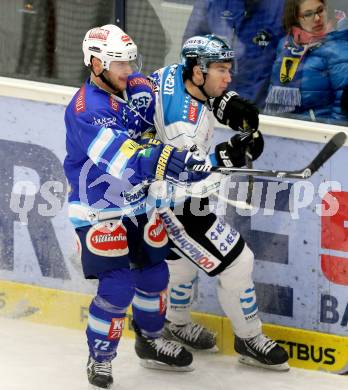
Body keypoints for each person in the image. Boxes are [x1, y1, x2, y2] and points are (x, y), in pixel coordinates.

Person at [63, 24, 208, 389]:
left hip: (139, 204)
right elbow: (123, 160)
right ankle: (100, 358)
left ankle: (151, 340)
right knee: (117, 288)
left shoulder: (137, 86)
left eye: (131, 62)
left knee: (154, 276)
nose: (129, 71)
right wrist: (169, 160)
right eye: (120, 64)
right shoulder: (86, 110)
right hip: (99, 208)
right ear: (96, 64)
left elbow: (181, 88)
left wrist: (194, 158)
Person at [148, 34, 290, 371]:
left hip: (153, 191)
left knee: (180, 263)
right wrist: (230, 158)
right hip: (170, 202)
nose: (228, 78)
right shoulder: (182, 126)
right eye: (221, 70)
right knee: (240, 262)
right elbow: (191, 181)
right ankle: (249, 337)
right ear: (198, 71)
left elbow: (204, 96)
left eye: (229, 69)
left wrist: (227, 102)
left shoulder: (174, 73)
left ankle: (176, 324)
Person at [182, 0, 286, 108]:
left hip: (261, 108)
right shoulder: (212, 3)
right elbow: (191, 51)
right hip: (213, 103)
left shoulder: (281, 7)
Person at [264, 0, 348, 124]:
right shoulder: (285, 44)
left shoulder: (339, 47)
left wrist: (327, 134)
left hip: (316, 134)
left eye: (320, 10)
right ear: (296, 18)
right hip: (282, 129)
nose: (318, 18)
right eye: (308, 14)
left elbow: (342, 108)